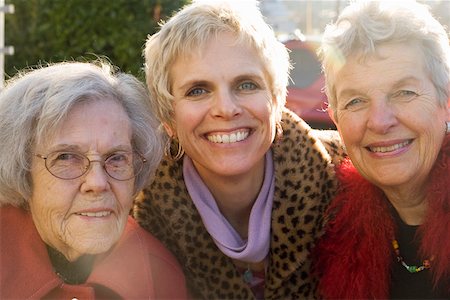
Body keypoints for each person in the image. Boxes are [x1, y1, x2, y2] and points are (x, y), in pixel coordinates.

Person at [133, 1, 345, 299]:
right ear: (169, 118)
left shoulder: (350, 182)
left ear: (276, 99)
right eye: (198, 90)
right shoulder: (133, 221)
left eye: (246, 85)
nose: (226, 108)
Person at [0, 61, 188, 299]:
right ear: (23, 170)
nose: (97, 183)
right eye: (67, 157)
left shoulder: (160, 277)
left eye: (116, 158)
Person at [313, 0, 450, 299]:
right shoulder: (333, 235)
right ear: (336, 120)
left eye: (404, 92)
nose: (379, 121)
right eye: (356, 101)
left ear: (446, 102)